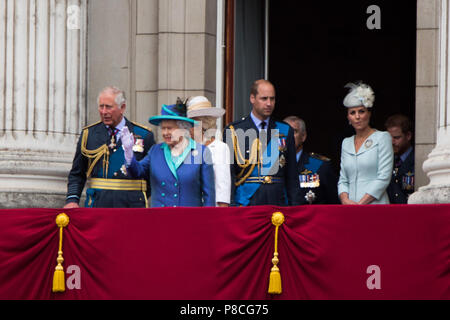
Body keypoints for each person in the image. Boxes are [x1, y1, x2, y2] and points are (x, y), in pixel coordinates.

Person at [64, 86, 155, 208]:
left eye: (108, 107)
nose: (104, 112)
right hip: (98, 204)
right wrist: (72, 199)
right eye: (101, 106)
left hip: (131, 206)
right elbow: (77, 172)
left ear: (122, 107)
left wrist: (137, 196)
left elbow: (151, 175)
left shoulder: (144, 135)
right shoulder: (89, 134)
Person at [122, 99, 216, 207]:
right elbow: (137, 172)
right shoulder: (155, 151)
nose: (165, 133)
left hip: (190, 221)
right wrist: (129, 155)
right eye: (163, 128)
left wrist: (208, 221)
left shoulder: (202, 152)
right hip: (160, 220)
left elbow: (209, 196)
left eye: (170, 128)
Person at [223, 79, 300, 206]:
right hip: (246, 202)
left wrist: (295, 208)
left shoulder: (285, 130)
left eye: (272, 99)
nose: (269, 103)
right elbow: (229, 174)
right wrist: (231, 206)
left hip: (277, 202)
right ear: (252, 98)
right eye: (264, 99)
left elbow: (292, 175)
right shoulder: (235, 130)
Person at [338, 82, 393, 205]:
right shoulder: (346, 143)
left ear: (369, 113)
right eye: (352, 113)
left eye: (361, 111)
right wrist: (345, 200)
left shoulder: (382, 137)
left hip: (375, 205)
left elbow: (383, 177)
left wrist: (361, 204)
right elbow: (343, 179)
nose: (357, 116)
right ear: (348, 117)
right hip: (350, 208)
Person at [186, 96, 231, 207]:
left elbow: (223, 188)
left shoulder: (220, 148)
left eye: (191, 124)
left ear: (203, 125)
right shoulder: (185, 148)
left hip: (211, 209)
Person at [284, 116, 339, 204]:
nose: (288, 136)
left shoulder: (319, 165)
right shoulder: (272, 166)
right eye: (285, 131)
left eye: (294, 131)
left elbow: (334, 202)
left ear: (303, 136)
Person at [385, 114, 414, 203]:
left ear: (408, 136)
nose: (392, 142)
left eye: (396, 138)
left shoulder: (417, 159)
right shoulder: (386, 159)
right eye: (389, 138)